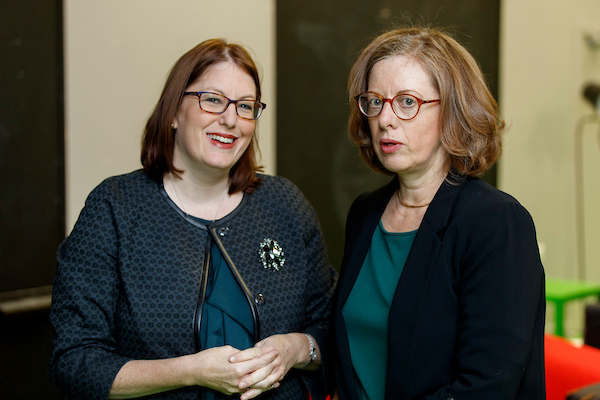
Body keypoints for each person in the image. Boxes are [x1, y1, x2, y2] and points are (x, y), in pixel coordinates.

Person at [49, 39, 337, 400]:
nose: (230, 119)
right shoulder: (114, 208)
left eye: (245, 106)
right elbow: (74, 361)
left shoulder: (285, 205)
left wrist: (295, 348)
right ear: (173, 111)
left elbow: (334, 330)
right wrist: (190, 372)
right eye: (212, 100)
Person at [331, 27, 545, 400]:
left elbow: (487, 387)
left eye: (407, 102)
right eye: (375, 101)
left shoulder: (496, 223)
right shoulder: (365, 212)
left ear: (453, 111)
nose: (385, 119)